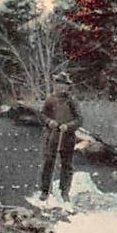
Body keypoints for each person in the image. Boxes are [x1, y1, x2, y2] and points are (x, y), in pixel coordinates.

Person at [39, 72, 82, 203]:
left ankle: (65, 191)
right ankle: (45, 190)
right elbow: (42, 115)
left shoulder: (72, 101)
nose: (61, 87)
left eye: (64, 85)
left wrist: (68, 126)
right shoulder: (50, 99)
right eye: (58, 84)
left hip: (68, 137)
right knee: (48, 163)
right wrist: (49, 122)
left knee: (67, 165)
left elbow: (79, 119)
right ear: (55, 85)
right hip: (52, 136)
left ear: (67, 87)